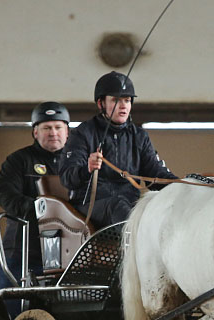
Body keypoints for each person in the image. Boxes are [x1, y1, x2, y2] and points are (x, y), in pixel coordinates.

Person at [60, 71, 177, 228]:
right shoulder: (83, 133)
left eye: (127, 100)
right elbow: (67, 177)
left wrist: (182, 184)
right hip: (89, 206)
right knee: (118, 205)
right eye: (116, 100)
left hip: (129, 206)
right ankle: (132, 250)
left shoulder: (139, 136)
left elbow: (155, 173)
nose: (123, 106)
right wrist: (86, 169)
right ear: (101, 104)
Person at [0, 101, 70, 317]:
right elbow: (4, 193)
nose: (53, 133)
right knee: (11, 314)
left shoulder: (78, 164)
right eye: (46, 128)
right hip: (24, 250)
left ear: (67, 131)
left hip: (67, 254)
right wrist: (40, 210)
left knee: (77, 314)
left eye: (58, 127)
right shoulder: (19, 161)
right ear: (35, 132)